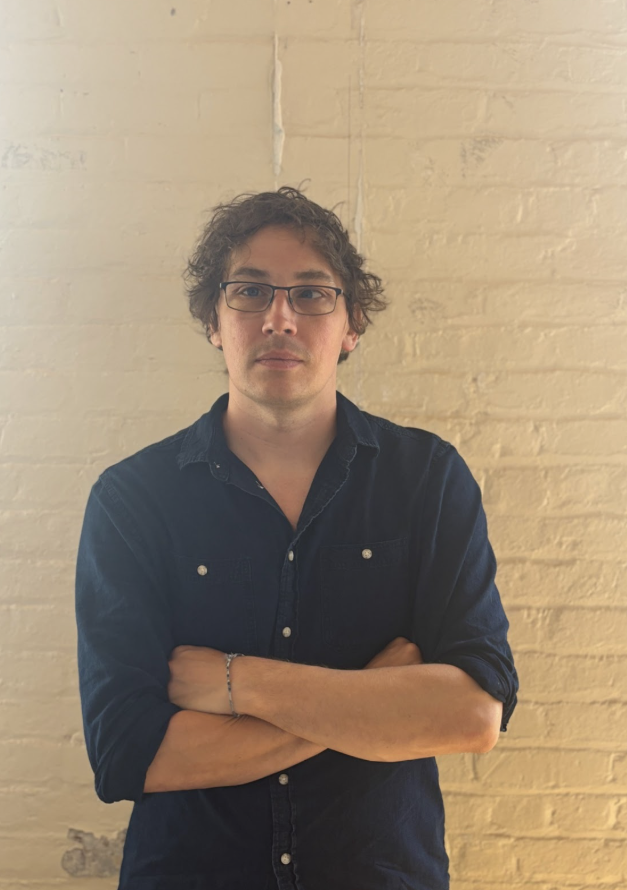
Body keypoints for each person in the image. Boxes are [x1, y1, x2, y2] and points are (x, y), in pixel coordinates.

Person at [75, 186, 518, 890]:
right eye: (250, 291)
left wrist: (234, 683)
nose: (278, 317)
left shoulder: (427, 479)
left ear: (352, 325)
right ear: (214, 320)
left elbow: (472, 713)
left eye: (311, 294)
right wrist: (375, 701)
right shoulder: (133, 499)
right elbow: (131, 754)